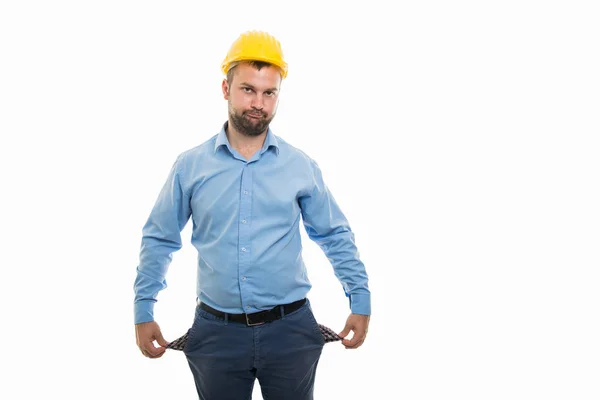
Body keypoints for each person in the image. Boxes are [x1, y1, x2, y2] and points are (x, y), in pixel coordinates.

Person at [133, 30, 371, 399]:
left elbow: (335, 234)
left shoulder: (300, 166)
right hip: (216, 334)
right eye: (248, 89)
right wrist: (144, 308)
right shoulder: (189, 167)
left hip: (290, 331)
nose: (258, 102)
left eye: (269, 92)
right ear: (226, 89)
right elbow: (160, 237)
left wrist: (360, 298)